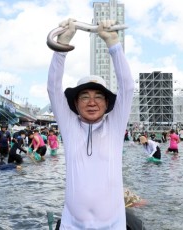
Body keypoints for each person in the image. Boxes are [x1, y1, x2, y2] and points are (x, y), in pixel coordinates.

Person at [47, 19, 138, 229]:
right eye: (84, 97)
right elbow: (53, 88)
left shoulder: (114, 127)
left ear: (107, 104)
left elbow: (128, 87)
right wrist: (61, 46)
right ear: (75, 104)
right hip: (72, 225)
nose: (92, 102)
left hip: (113, 225)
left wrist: (113, 44)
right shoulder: (69, 127)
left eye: (99, 96)